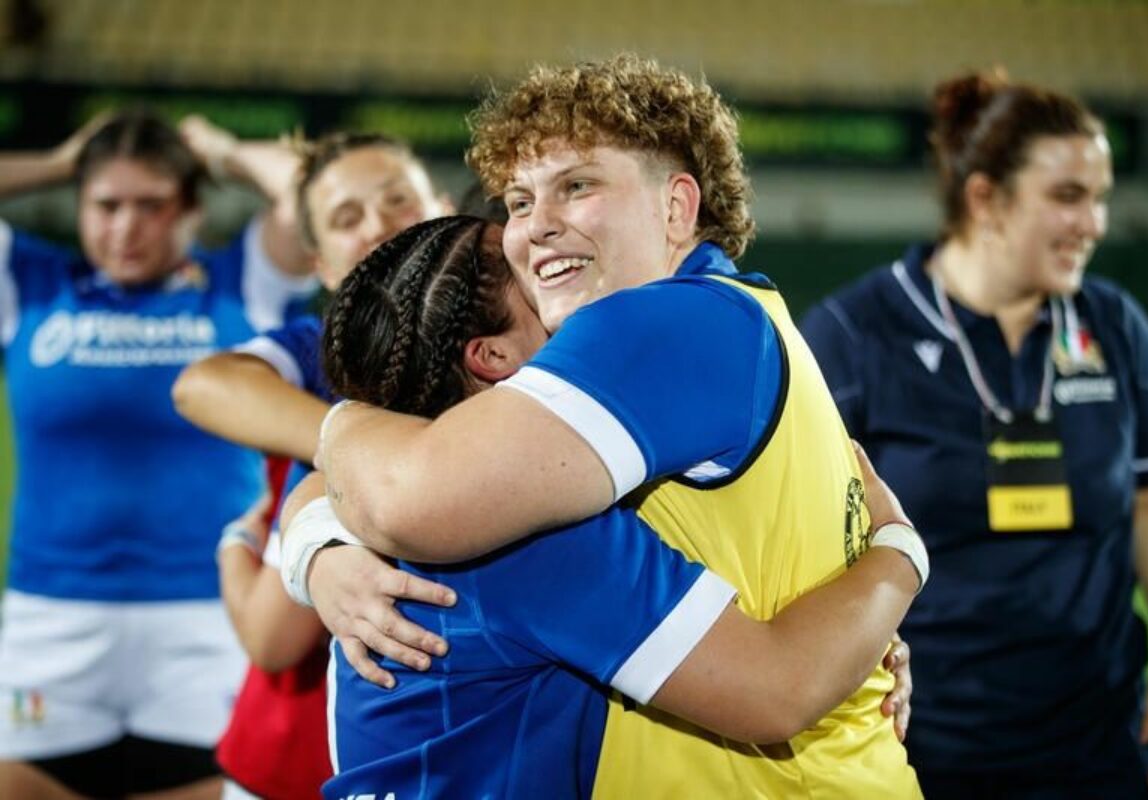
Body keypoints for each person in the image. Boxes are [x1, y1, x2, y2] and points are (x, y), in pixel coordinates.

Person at [289, 55, 924, 796]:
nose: (535, 230)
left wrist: (337, 441)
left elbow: (407, 499)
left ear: (677, 207)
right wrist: (896, 557)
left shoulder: (666, 324)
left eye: (578, 186)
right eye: (520, 201)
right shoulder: (738, 320)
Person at [800, 70, 1148, 799]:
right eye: (1069, 197)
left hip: (1101, 744)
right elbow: (798, 539)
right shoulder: (853, 337)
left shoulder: (1114, 326)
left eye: (1101, 197)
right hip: (921, 745)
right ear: (985, 198)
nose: (1096, 224)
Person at [0, 111, 316, 800]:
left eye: (152, 205)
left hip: (210, 620)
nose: (126, 226)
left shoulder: (240, 286)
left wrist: (228, 151)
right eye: (106, 204)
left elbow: (314, 195)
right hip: (48, 618)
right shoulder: (30, 285)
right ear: (79, 207)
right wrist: (62, 158)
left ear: (193, 211)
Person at [170, 130, 452, 799]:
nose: (380, 227)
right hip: (301, 758)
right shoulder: (334, 374)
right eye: (346, 220)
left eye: (397, 201)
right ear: (321, 267)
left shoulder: (513, 344)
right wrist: (356, 445)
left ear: (443, 206)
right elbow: (200, 384)